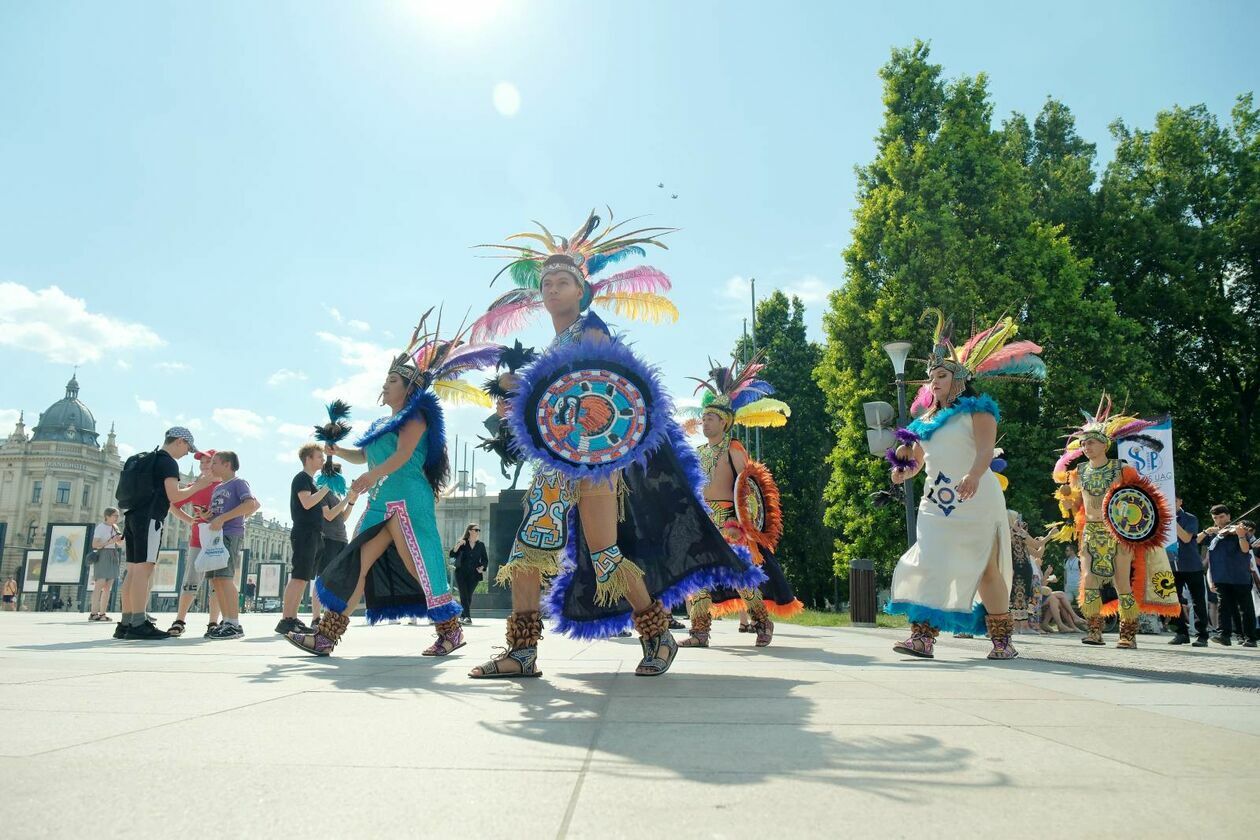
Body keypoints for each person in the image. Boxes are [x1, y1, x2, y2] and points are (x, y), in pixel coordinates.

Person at [467, 211, 764, 679]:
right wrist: (517, 400)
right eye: (546, 283)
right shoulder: (551, 346)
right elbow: (550, 404)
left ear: (581, 291)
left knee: (606, 555)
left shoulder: (591, 328)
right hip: (553, 467)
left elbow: (601, 389)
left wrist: (537, 393)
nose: (552, 289)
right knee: (526, 553)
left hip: (596, 467)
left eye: (562, 281)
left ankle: (657, 634)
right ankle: (522, 653)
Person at [287, 311, 493, 657]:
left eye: (392, 380)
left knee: (419, 564)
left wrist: (371, 476)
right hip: (383, 500)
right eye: (385, 379)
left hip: (409, 498)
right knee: (357, 563)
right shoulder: (384, 421)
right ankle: (325, 637)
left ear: (409, 386)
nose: (384, 385)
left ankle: (450, 629)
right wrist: (339, 451)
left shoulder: (418, 413)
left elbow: (402, 455)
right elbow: (364, 456)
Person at [886, 309, 1046, 661]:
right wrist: (903, 473)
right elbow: (916, 462)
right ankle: (922, 638)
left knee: (986, 568)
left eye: (941, 375)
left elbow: (986, 450)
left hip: (977, 498)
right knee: (929, 561)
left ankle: (1002, 641)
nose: (934, 382)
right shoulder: (924, 421)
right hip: (936, 502)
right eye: (931, 378)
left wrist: (974, 474)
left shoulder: (979, 410)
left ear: (959, 376)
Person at [678, 354, 800, 649]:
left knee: (741, 576)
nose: (705, 422)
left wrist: (742, 523)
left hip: (731, 522)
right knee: (697, 578)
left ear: (725, 421)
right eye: (704, 417)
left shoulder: (733, 448)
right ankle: (699, 631)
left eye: (711, 418)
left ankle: (761, 621)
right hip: (704, 521)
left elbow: (747, 485)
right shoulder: (699, 451)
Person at [1053, 396, 1181, 648]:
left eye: (1090, 442)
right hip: (1090, 531)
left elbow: (1136, 502)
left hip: (1116, 532)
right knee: (1089, 578)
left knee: (1121, 580)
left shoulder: (1121, 469)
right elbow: (1078, 507)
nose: (1085, 447)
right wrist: (1069, 504)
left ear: (1104, 445)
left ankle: (1127, 634)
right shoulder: (1078, 472)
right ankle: (1094, 631)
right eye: (1083, 443)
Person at [115, 427, 213, 640]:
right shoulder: (168, 462)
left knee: (132, 571)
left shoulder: (149, 459)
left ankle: (125, 622)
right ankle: (139, 623)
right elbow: (175, 496)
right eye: (187, 447)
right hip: (150, 519)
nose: (187, 452)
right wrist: (199, 485)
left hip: (132, 517)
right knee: (144, 570)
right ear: (179, 441)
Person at [198, 451, 259, 640]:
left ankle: (234, 623)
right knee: (216, 580)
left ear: (227, 464)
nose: (211, 466)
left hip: (230, 535)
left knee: (225, 578)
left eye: (214, 463)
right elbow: (221, 509)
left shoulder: (239, 483)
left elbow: (250, 505)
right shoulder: (219, 487)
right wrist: (209, 515)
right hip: (215, 536)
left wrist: (224, 518)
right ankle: (226, 621)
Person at [167, 450, 222, 638]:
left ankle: (213, 623)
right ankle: (180, 620)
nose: (204, 466)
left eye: (208, 462)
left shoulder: (227, 485)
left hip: (220, 541)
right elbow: (173, 504)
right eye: (202, 463)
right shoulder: (195, 486)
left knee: (217, 582)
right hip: (198, 540)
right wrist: (190, 520)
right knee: (191, 580)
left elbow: (248, 506)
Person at [278, 444, 331, 636]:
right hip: (304, 533)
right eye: (319, 457)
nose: (323, 460)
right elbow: (307, 503)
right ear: (308, 458)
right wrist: (327, 489)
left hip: (314, 534)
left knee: (303, 579)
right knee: (299, 576)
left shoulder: (311, 481)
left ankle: (292, 617)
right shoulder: (301, 478)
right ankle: (287, 619)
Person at [1201, 505, 1257, 647]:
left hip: (1240, 576)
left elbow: (1245, 549)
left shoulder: (1241, 529)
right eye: (1215, 518)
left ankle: (1250, 638)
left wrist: (1241, 534)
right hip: (1220, 576)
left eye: (1222, 517)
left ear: (1229, 516)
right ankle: (1224, 635)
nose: (1219, 520)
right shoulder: (1214, 534)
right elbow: (1195, 540)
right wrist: (1206, 531)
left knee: (1245, 608)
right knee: (1223, 607)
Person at [314, 477, 357, 625]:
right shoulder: (322, 493)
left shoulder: (336, 495)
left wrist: (351, 501)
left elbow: (342, 518)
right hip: (328, 539)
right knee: (322, 579)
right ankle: (315, 618)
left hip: (342, 540)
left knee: (336, 580)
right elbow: (329, 515)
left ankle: (328, 615)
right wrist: (346, 499)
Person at [1170, 496, 1210, 646]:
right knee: (1173, 600)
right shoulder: (1159, 518)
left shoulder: (1190, 518)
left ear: (1180, 501)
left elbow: (1186, 538)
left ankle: (1202, 635)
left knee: (1197, 601)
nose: (1170, 503)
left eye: (1174, 501)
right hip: (1171, 565)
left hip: (1191, 565)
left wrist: (1171, 521)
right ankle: (1181, 633)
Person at [88, 508, 124, 621]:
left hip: (113, 554)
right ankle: (94, 613)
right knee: (100, 584)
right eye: (115, 515)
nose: (117, 518)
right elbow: (95, 544)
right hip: (103, 554)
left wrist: (120, 540)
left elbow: (119, 544)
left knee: (108, 587)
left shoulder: (115, 527)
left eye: (117, 516)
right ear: (107, 516)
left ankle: (103, 613)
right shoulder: (100, 527)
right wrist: (110, 542)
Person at [451, 523, 487, 624]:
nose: (478, 532)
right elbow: (452, 554)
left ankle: (463, 616)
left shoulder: (481, 545)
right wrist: (458, 544)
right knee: (463, 595)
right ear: (470, 531)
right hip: (461, 573)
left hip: (474, 574)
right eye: (476, 530)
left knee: (468, 596)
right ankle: (468, 617)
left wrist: (482, 567)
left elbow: (485, 559)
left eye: (479, 530)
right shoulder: (462, 543)